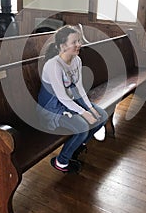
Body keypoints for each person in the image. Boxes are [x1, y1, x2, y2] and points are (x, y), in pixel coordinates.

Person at [37, 25, 108, 174]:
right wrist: (84, 113)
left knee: (101, 116)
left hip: (69, 102)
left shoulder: (76, 60)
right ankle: (61, 161)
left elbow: (79, 87)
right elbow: (61, 96)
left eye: (79, 41)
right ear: (62, 46)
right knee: (82, 126)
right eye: (74, 42)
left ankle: (76, 147)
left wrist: (90, 108)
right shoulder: (53, 65)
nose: (79, 45)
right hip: (52, 108)